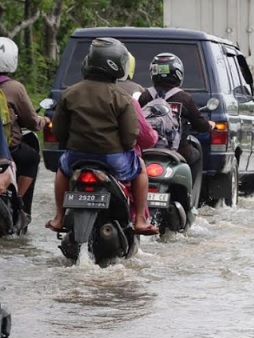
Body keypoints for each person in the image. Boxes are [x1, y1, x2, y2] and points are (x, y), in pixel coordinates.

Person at [45, 37, 158, 235]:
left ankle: (58, 218)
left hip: (76, 157)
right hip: (112, 159)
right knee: (140, 167)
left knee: (62, 169)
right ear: (118, 66)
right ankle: (140, 220)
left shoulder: (69, 93)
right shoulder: (122, 98)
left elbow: (58, 132)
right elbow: (130, 136)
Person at [138, 52, 215, 184]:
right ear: (178, 72)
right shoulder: (184, 98)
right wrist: (210, 125)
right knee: (196, 155)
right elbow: (200, 125)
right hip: (178, 150)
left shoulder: (145, 96)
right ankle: (190, 196)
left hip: (146, 150)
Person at [0, 36, 49, 218]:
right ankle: (18, 202)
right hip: (8, 149)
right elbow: (33, 122)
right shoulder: (14, 88)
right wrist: (43, 120)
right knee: (32, 158)